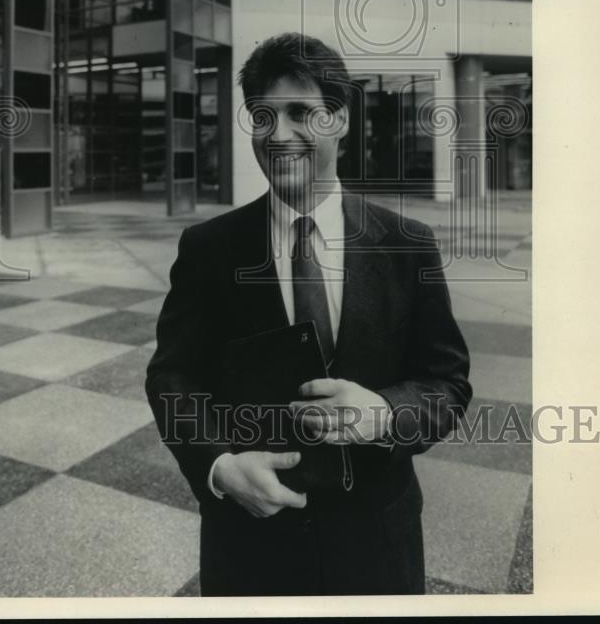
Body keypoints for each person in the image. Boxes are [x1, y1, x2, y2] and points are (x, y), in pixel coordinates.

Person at [146, 32, 471, 596]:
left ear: (340, 120)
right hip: (250, 545)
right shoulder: (209, 248)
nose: (279, 135)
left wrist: (388, 413)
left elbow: (448, 382)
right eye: (262, 116)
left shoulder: (406, 244)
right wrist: (218, 466)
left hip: (378, 546)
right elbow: (173, 378)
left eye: (301, 113)